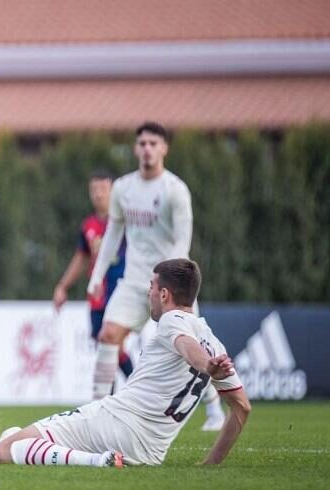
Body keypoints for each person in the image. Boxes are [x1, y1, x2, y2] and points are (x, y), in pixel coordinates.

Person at [0, 259, 251, 467]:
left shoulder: (172, 320)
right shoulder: (215, 344)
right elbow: (242, 408)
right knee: (11, 435)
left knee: (4, 452)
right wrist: (209, 466)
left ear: (165, 294)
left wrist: (206, 365)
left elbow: (186, 346)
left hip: (114, 422)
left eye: (151, 288)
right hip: (151, 453)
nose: (149, 295)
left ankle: (97, 461)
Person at [85, 122, 226, 431]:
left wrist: (171, 284)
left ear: (164, 149)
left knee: (195, 349)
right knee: (108, 335)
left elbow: (182, 242)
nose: (147, 148)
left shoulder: (175, 190)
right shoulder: (123, 187)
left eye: (153, 143)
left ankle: (215, 410)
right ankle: (96, 412)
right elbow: (113, 233)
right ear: (136, 149)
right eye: (143, 143)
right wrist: (97, 273)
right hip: (135, 282)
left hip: (171, 286)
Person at [52, 169, 132, 380]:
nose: (98, 194)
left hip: (122, 289)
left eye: (103, 188)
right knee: (104, 345)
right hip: (98, 294)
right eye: (94, 189)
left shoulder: (126, 222)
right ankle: (114, 400)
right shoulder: (88, 225)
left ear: (113, 191)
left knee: (114, 343)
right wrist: (63, 286)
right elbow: (81, 258)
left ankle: (130, 394)